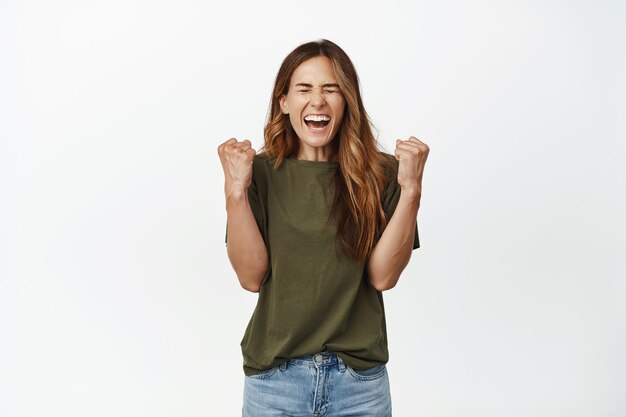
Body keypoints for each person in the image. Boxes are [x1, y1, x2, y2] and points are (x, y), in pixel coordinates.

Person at [217, 39, 429, 417]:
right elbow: (251, 277)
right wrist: (235, 191)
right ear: (284, 102)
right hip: (275, 384)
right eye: (304, 89)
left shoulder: (382, 174)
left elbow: (383, 277)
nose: (318, 101)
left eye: (331, 90)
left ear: (347, 101)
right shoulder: (259, 175)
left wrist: (412, 191)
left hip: (358, 385)